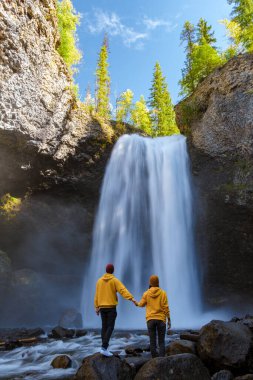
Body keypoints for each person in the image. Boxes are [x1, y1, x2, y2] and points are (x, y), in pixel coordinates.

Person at [94, 263, 136, 357]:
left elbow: (96, 295)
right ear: (113, 271)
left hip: (102, 308)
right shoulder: (114, 280)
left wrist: (96, 307)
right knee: (110, 327)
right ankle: (104, 348)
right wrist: (131, 298)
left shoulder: (99, 281)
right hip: (111, 308)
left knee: (104, 327)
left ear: (106, 270)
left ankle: (103, 348)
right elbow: (123, 290)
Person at [134, 275, 171, 358]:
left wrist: (136, 303)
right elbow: (166, 307)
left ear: (150, 283)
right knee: (161, 342)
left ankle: (154, 360)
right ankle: (162, 360)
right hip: (161, 320)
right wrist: (169, 319)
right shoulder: (163, 293)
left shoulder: (146, 293)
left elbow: (141, 304)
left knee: (152, 342)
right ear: (158, 283)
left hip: (150, 320)